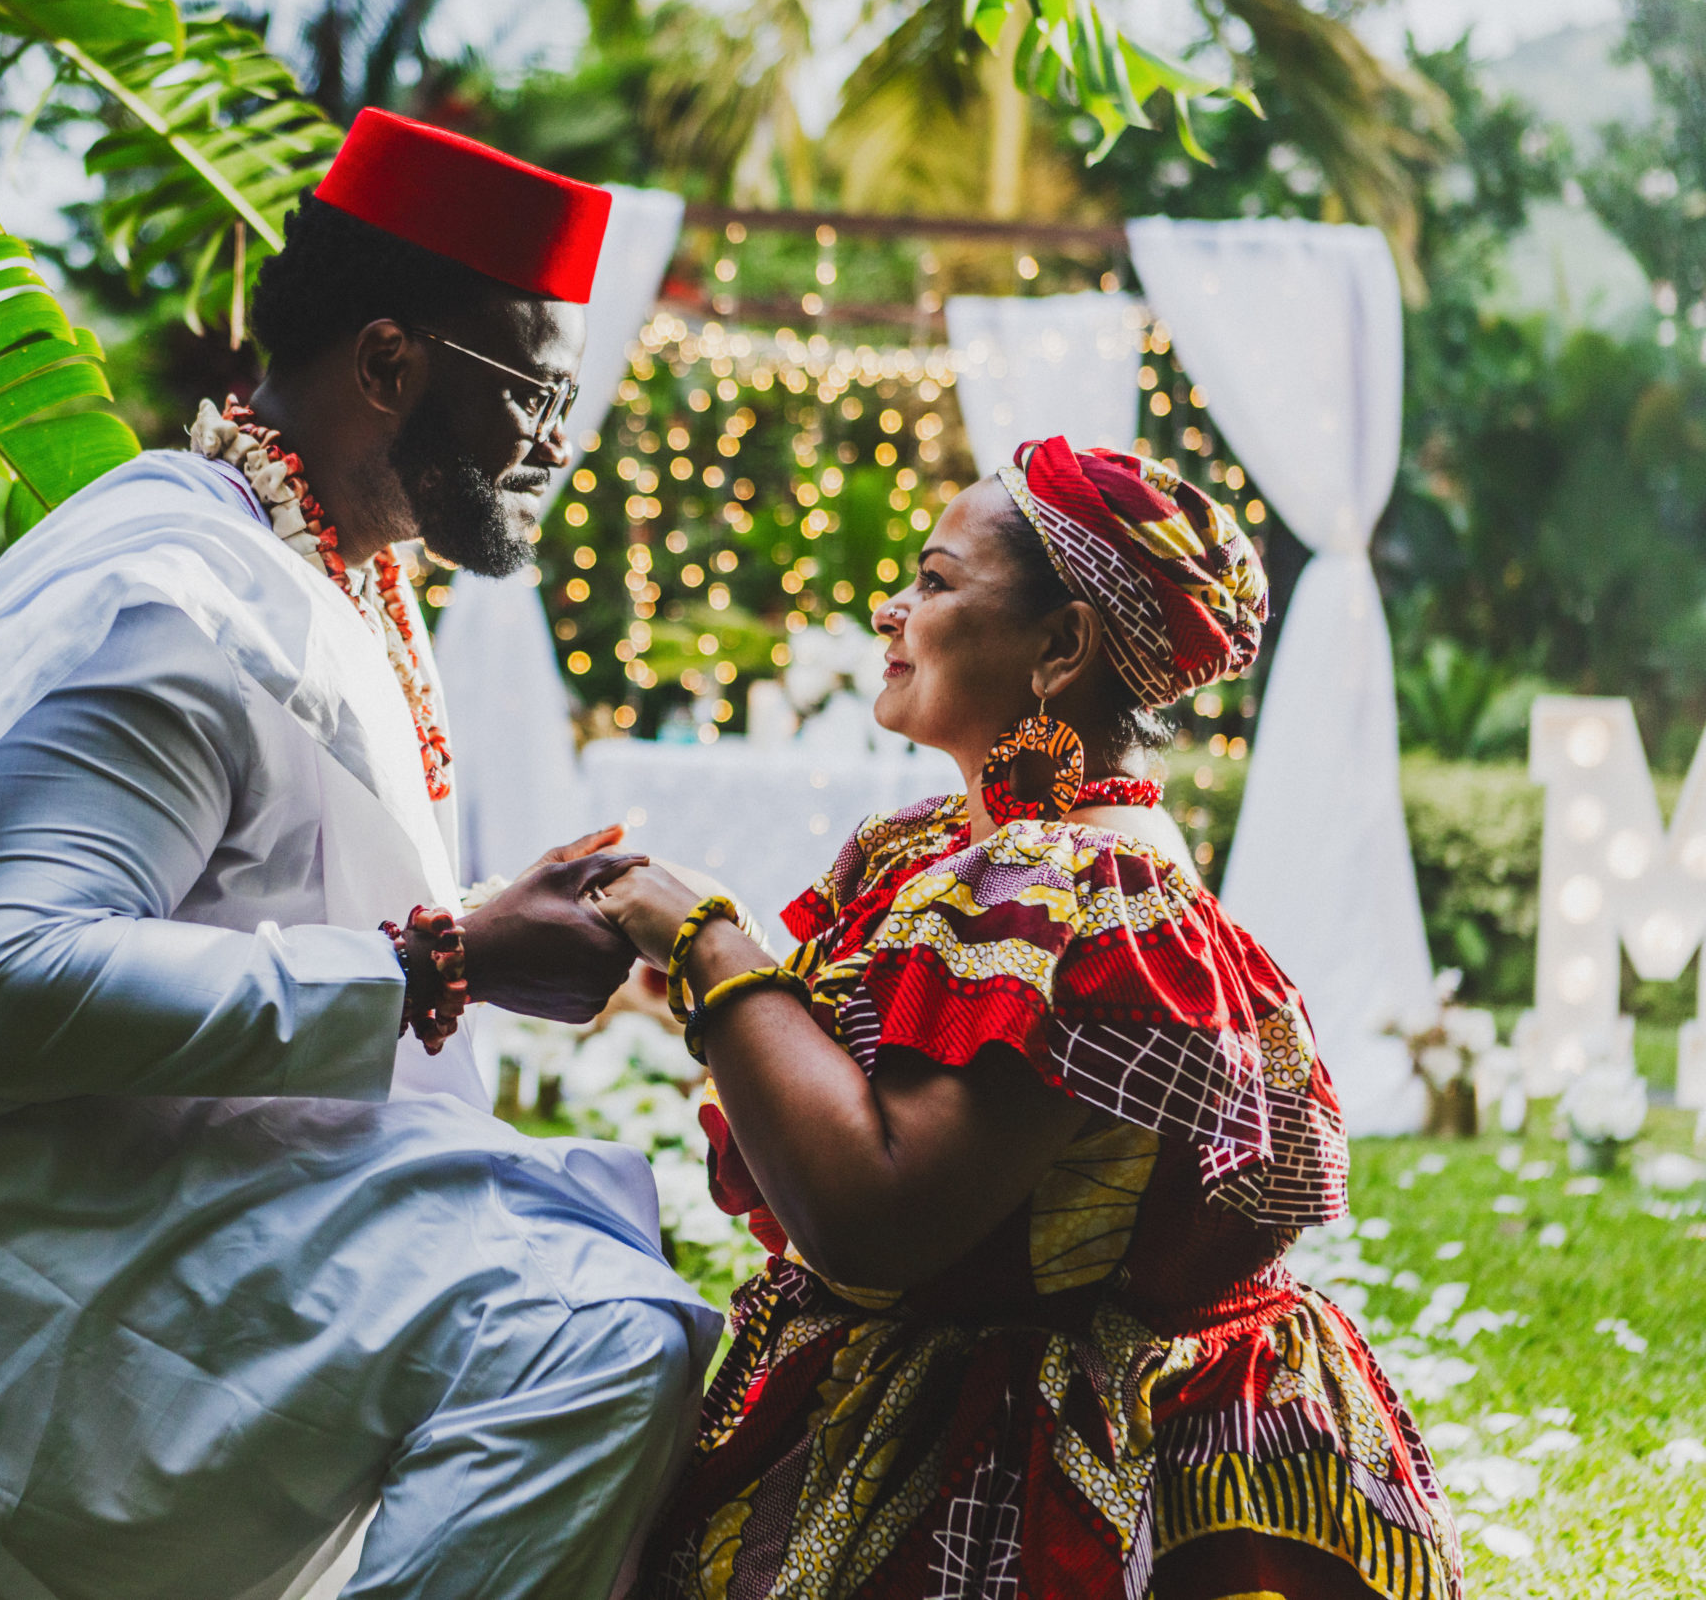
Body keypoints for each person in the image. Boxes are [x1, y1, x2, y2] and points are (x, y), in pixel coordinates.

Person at [0, 108, 721, 1600]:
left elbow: (241, 900)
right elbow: (11, 983)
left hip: (182, 1201)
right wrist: (444, 959)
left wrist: (476, 931)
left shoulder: (322, 570)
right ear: (388, 363)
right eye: (529, 386)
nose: (556, 439)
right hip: (53, 1253)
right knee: (599, 1334)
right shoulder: (167, 594)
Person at [592, 437, 1462, 1600]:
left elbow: (874, 1216)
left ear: (1061, 649)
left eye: (937, 582)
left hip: (1027, 1454)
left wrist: (700, 938)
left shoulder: (1075, 891)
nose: (894, 610)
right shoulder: (975, 852)